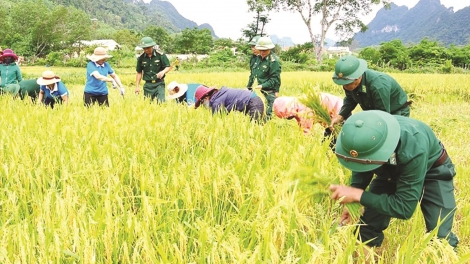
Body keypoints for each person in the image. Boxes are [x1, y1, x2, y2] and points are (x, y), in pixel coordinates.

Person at [329, 110, 459, 257]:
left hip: (432, 171)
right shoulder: (369, 140)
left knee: (441, 236)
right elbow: (362, 164)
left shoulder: (412, 146)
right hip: (389, 168)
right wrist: (354, 197)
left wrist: (358, 195)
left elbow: (404, 207)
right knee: (367, 226)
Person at [330, 55, 411, 127]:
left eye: (348, 83)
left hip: (396, 111)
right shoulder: (349, 85)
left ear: (358, 76)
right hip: (374, 111)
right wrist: (341, 116)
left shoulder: (378, 86)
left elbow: (382, 115)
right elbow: (350, 100)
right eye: (343, 84)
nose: (345, 86)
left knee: (392, 137)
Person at [246, 36, 281, 120]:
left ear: (270, 49)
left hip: (268, 92)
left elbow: (274, 79)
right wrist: (248, 87)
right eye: (260, 50)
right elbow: (253, 74)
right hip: (256, 91)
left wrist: (262, 86)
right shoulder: (256, 58)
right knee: (253, 112)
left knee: (268, 115)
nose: (262, 52)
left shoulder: (274, 61)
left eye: (264, 50)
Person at [273, 93, 343, 134]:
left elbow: (306, 131)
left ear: (287, 111)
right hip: (337, 107)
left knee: (333, 140)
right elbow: (301, 124)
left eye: (286, 117)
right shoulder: (297, 104)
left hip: (340, 112)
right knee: (329, 138)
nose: (288, 118)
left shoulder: (303, 110)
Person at [194, 85, 264, 123]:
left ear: (206, 98)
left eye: (202, 102)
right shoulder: (219, 94)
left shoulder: (217, 102)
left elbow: (216, 123)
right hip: (253, 101)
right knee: (251, 127)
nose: (203, 105)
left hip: (254, 104)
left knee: (255, 128)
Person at [135, 36, 171, 102]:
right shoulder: (141, 58)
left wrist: (163, 72)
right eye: (144, 48)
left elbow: (168, 66)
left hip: (159, 83)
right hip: (148, 85)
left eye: (148, 48)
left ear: (152, 46)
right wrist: (137, 86)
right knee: (148, 105)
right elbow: (139, 72)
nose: (146, 50)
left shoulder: (160, 55)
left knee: (161, 102)